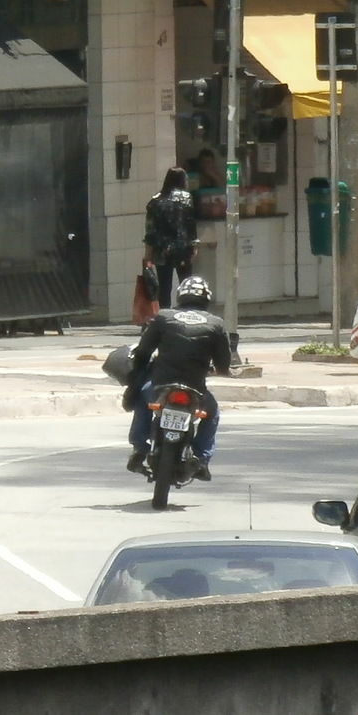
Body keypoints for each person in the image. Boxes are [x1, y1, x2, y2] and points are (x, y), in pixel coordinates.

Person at [125, 275, 233, 480]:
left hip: (160, 385)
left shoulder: (163, 317)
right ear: (206, 299)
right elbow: (223, 364)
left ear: (180, 296)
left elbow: (143, 352)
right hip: (196, 389)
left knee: (141, 398)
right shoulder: (216, 324)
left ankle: (139, 448)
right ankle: (202, 458)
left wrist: (136, 373)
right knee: (213, 414)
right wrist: (219, 369)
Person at [143, 166, 198, 308]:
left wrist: (148, 254)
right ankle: (188, 311)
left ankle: (165, 317)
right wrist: (194, 246)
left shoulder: (155, 201)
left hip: (162, 249)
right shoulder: (186, 199)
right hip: (183, 248)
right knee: (186, 284)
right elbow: (190, 224)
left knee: (164, 287)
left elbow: (151, 230)